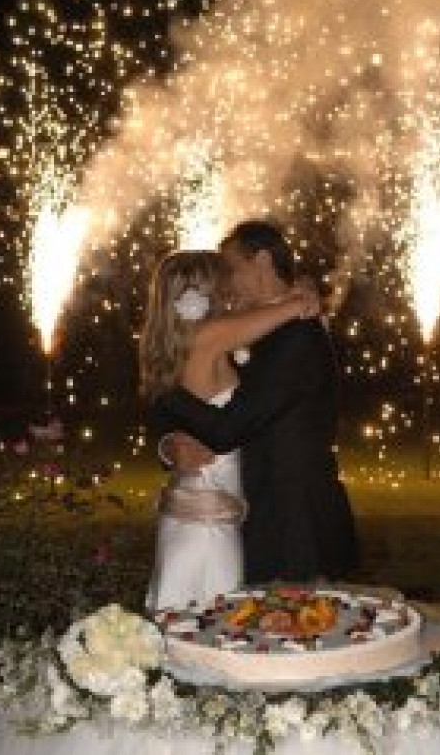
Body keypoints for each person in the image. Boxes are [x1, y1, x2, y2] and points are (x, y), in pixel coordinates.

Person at [149, 220, 359, 584]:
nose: (227, 284)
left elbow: (229, 427)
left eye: (232, 270)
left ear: (261, 260)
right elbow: (199, 387)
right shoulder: (249, 326)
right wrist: (168, 443)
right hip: (246, 511)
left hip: (294, 522)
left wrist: (164, 392)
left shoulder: (297, 332)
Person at [140, 249, 320, 611]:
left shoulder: (185, 344)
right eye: (225, 282)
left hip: (195, 509)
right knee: (214, 617)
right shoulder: (208, 336)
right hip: (209, 522)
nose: (233, 288)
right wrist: (301, 299)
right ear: (203, 294)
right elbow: (286, 311)